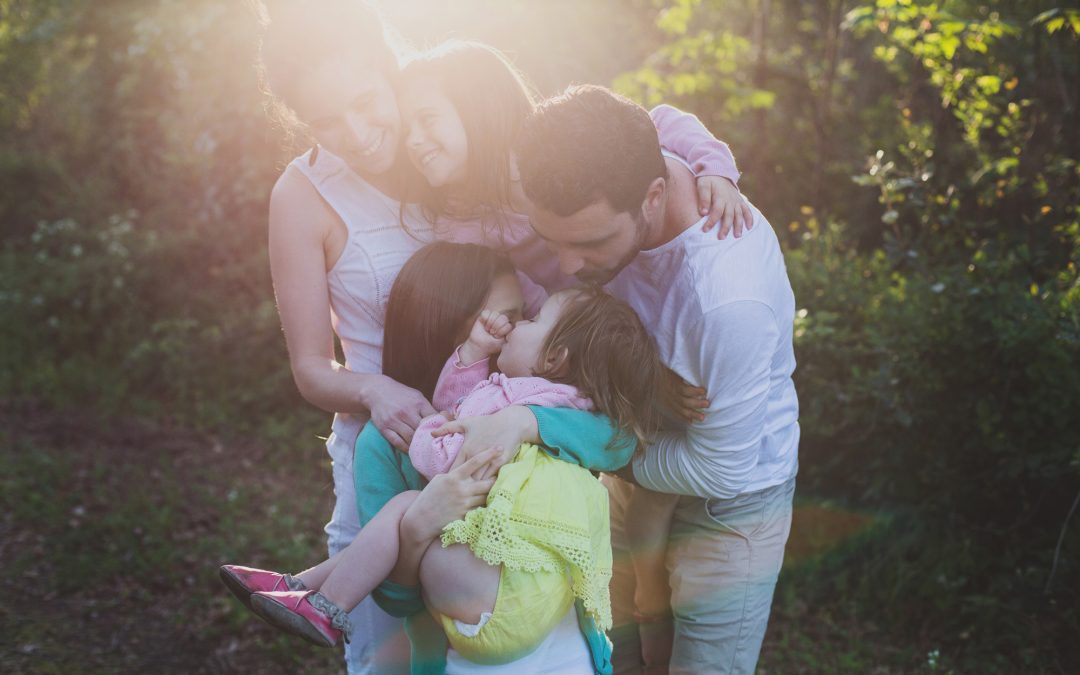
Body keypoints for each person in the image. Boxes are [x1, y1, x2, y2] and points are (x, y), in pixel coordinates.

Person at [252, 1, 749, 669]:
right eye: (325, 121)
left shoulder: (456, 145)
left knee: (520, 633)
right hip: (396, 436)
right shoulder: (305, 193)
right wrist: (375, 390)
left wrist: (711, 162)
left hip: (509, 435)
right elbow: (311, 368)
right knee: (393, 653)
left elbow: (621, 135)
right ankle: (320, 589)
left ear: (391, 70)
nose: (358, 133)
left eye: (366, 103)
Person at [444, 85, 800, 674]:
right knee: (616, 654)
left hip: (725, 506)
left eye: (589, 242)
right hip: (634, 473)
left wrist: (577, 438)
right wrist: (717, 164)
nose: (568, 267)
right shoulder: (614, 147)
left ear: (653, 195)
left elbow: (722, 467)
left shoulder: (727, 298)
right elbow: (660, 116)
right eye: (553, 238)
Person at [223, 243, 674, 672]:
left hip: (562, 646)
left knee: (405, 509)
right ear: (454, 325)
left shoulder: (541, 400)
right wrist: (420, 528)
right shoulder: (389, 441)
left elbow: (619, 440)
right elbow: (396, 600)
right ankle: (311, 595)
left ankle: (306, 590)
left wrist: (523, 421)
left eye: (523, 317)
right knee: (407, 510)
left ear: (554, 357)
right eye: (504, 319)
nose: (513, 327)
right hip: (469, 639)